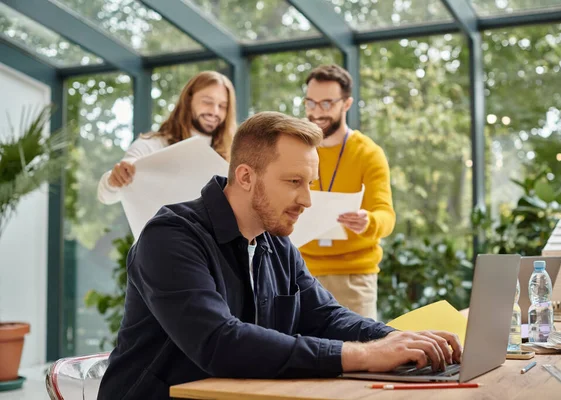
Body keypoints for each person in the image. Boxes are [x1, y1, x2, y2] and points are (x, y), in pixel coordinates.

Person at [97, 112, 461, 400]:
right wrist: (365, 356)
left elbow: (325, 317)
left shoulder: (276, 244)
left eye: (310, 183)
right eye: (293, 182)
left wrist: (401, 343)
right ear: (245, 176)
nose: (307, 200)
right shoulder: (171, 237)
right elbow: (219, 342)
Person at [299, 64, 395, 319]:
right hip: (300, 273)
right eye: (310, 103)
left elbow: (386, 215)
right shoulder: (296, 147)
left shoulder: (368, 153)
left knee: (363, 354)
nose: (317, 112)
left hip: (354, 278)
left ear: (347, 104)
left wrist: (369, 221)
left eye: (327, 104)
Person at [97, 70, 237, 204]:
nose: (214, 111)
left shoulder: (231, 157)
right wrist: (116, 177)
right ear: (188, 101)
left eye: (223, 106)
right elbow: (106, 195)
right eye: (207, 102)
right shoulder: (153, 144)